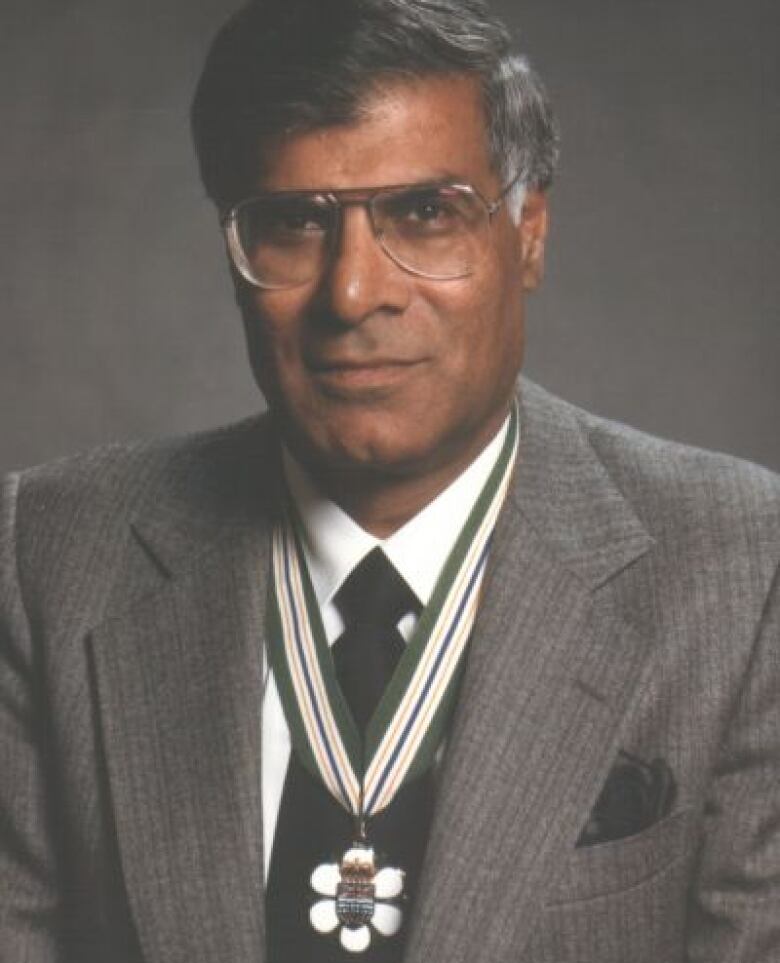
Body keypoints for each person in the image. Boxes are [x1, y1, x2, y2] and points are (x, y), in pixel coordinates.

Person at [1, 0, 778, 960]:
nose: (355, 292)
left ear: (528, 232)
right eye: (292, 223)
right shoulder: (45, 551)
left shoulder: (744, 568)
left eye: (426, 213)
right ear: (232, 252)